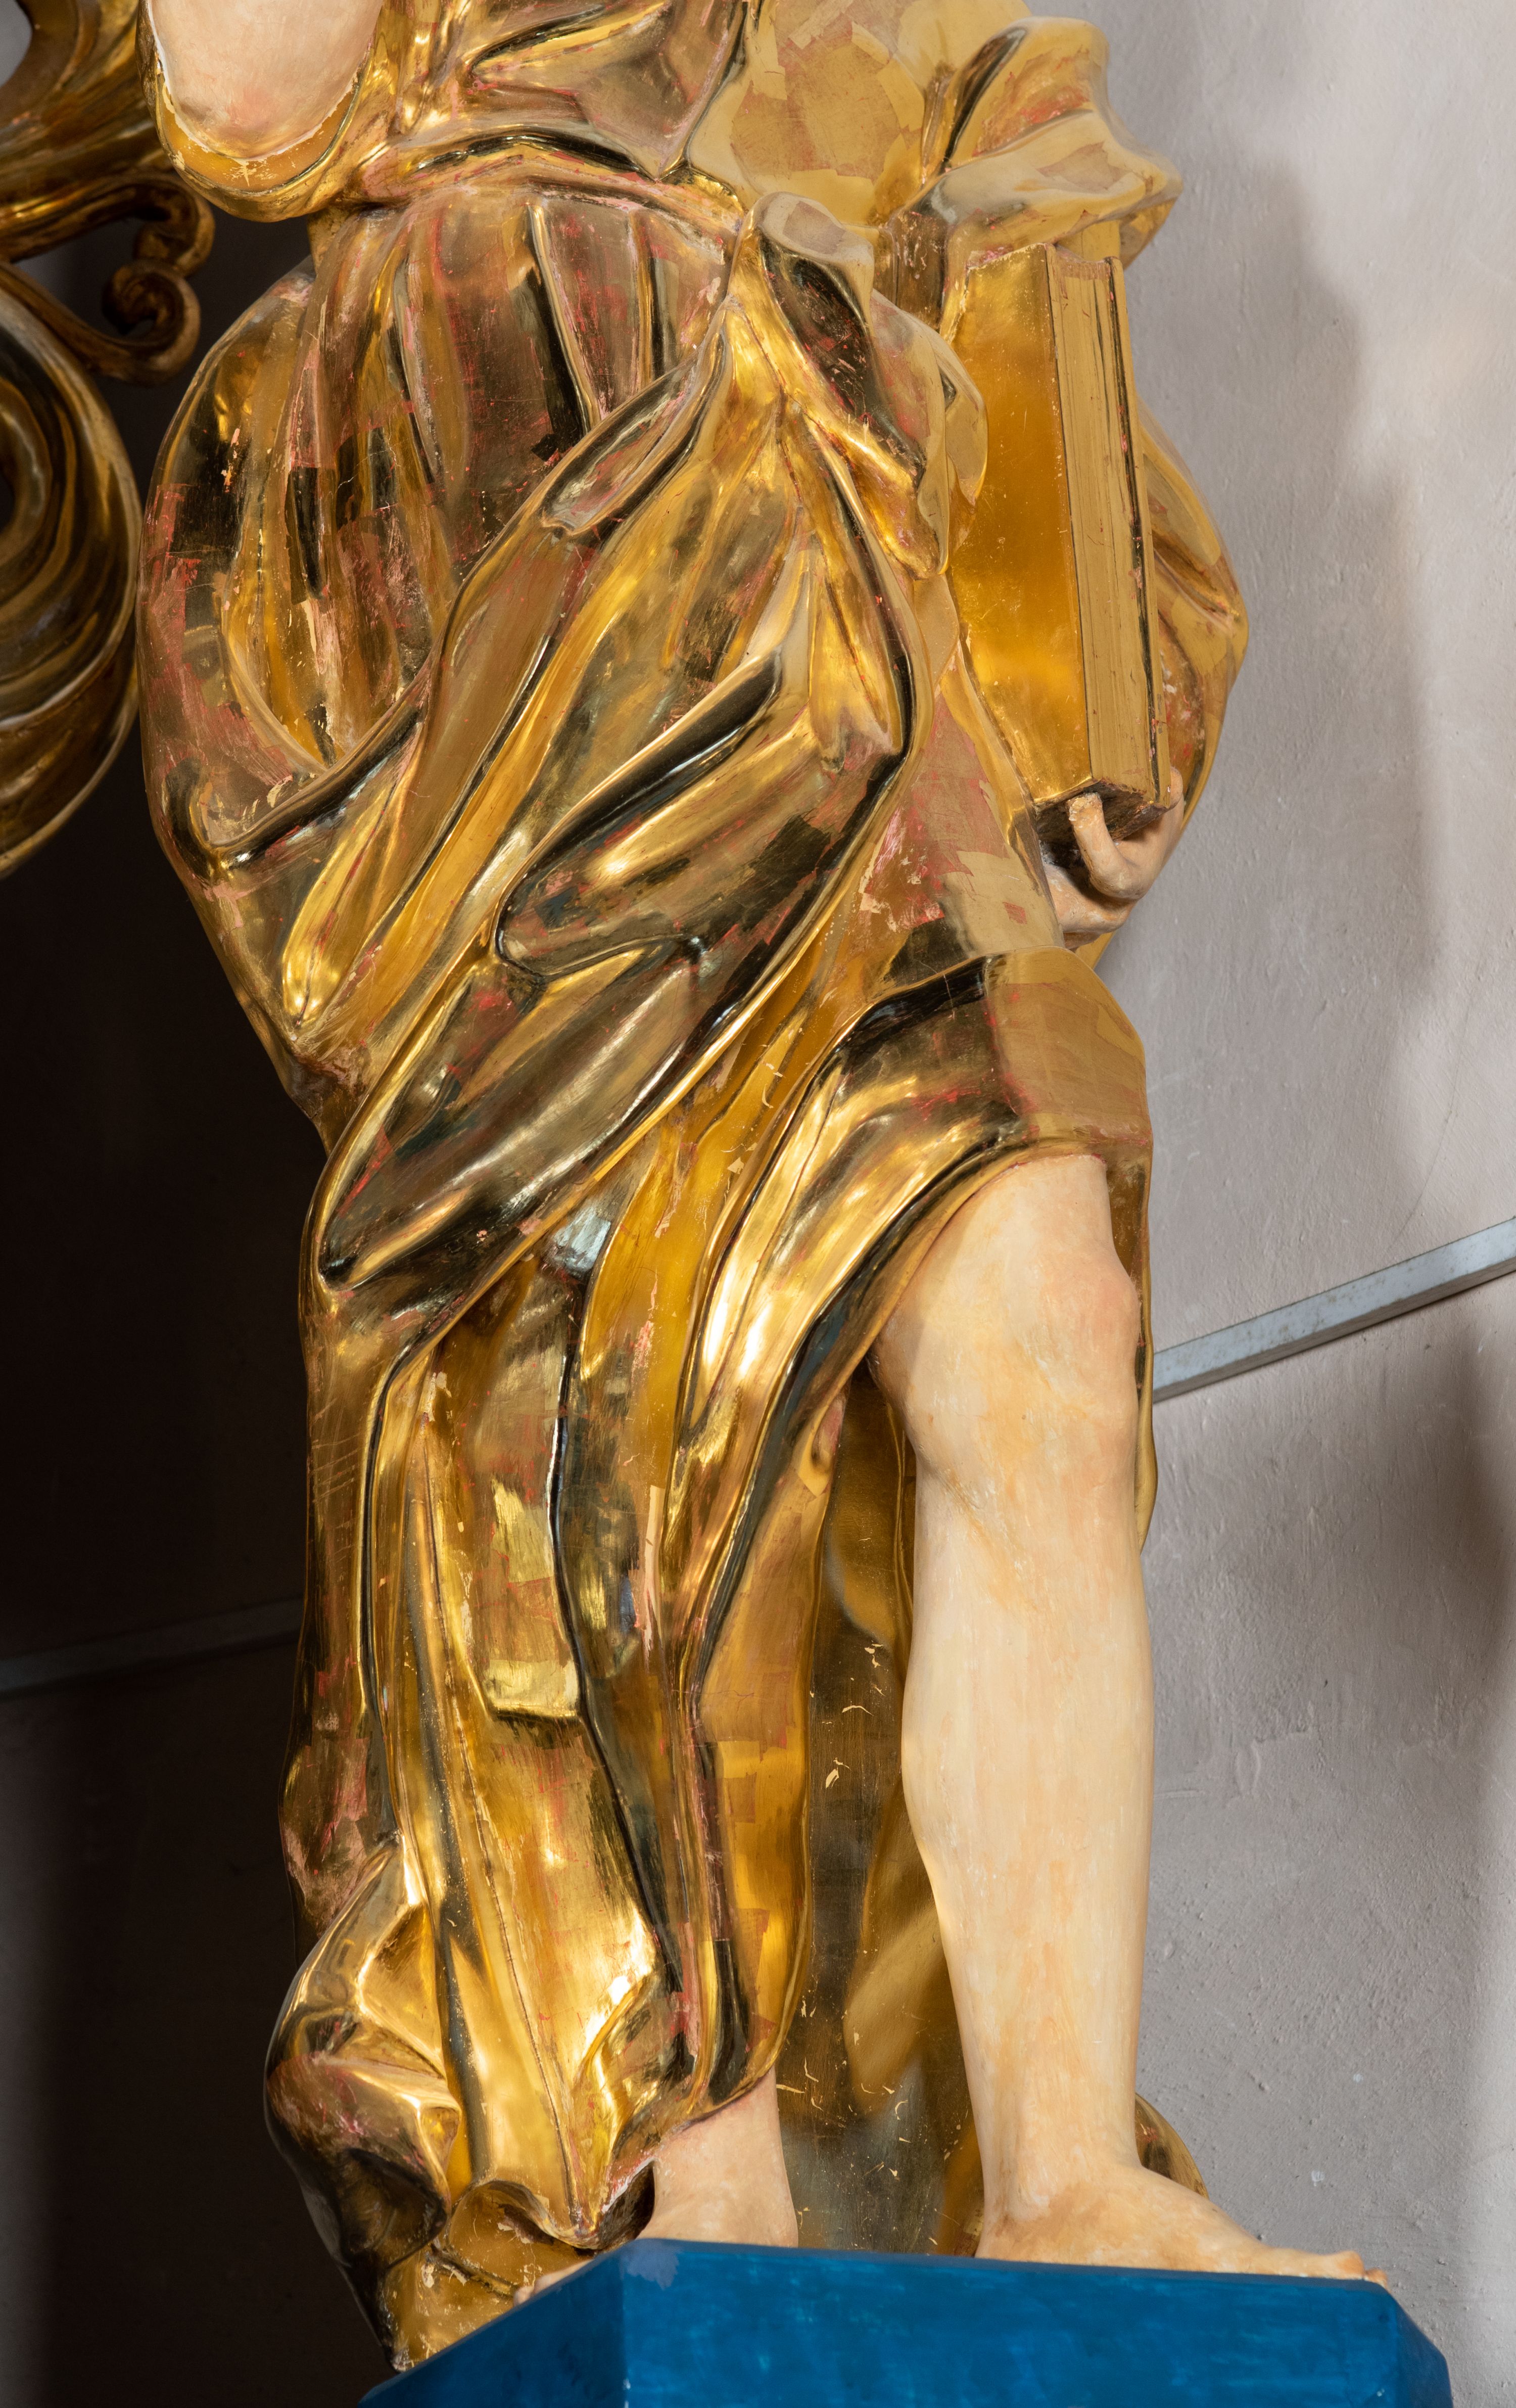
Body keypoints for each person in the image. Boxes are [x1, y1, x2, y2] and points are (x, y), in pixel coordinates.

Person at [137, 0, 1370, 2365]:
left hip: (856, 574)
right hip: (551, 502)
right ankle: (687, 2146)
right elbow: (241, 97)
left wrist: (1103, 637)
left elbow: (1028, 248)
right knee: (658, 1364)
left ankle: (1064, 2173)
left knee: (1050, 1332)